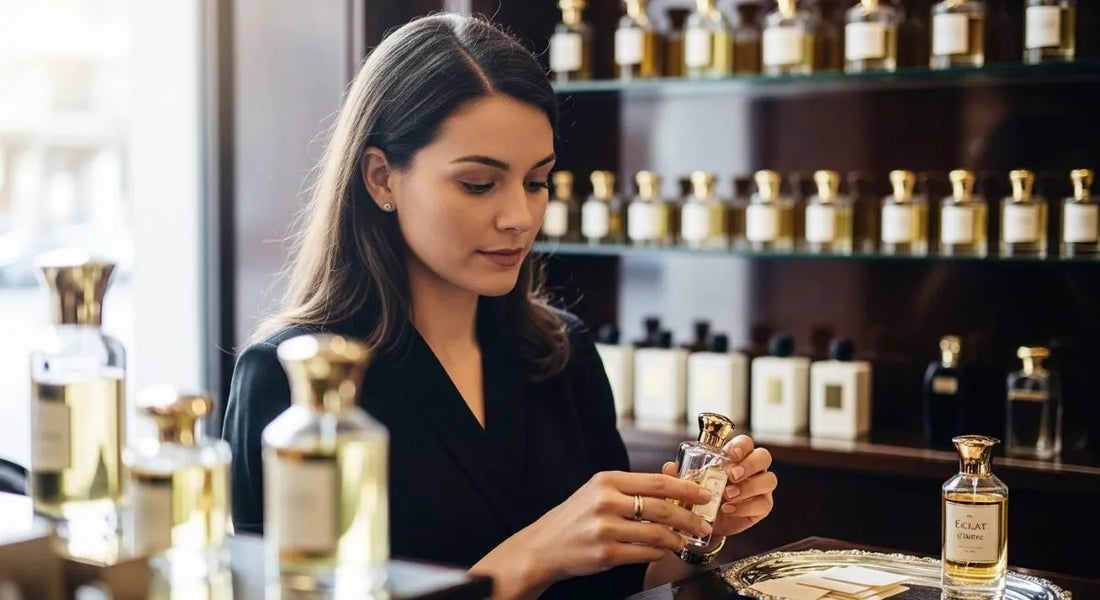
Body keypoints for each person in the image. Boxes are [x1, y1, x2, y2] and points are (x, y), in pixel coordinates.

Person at [222, 13, 777, 600]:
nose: (520, 217)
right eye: (479, 184)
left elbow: (620, 587)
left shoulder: (562, 353)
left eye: (536, 182)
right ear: (382, 178)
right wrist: (529, 559)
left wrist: (695, 532)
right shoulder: (294, 383)